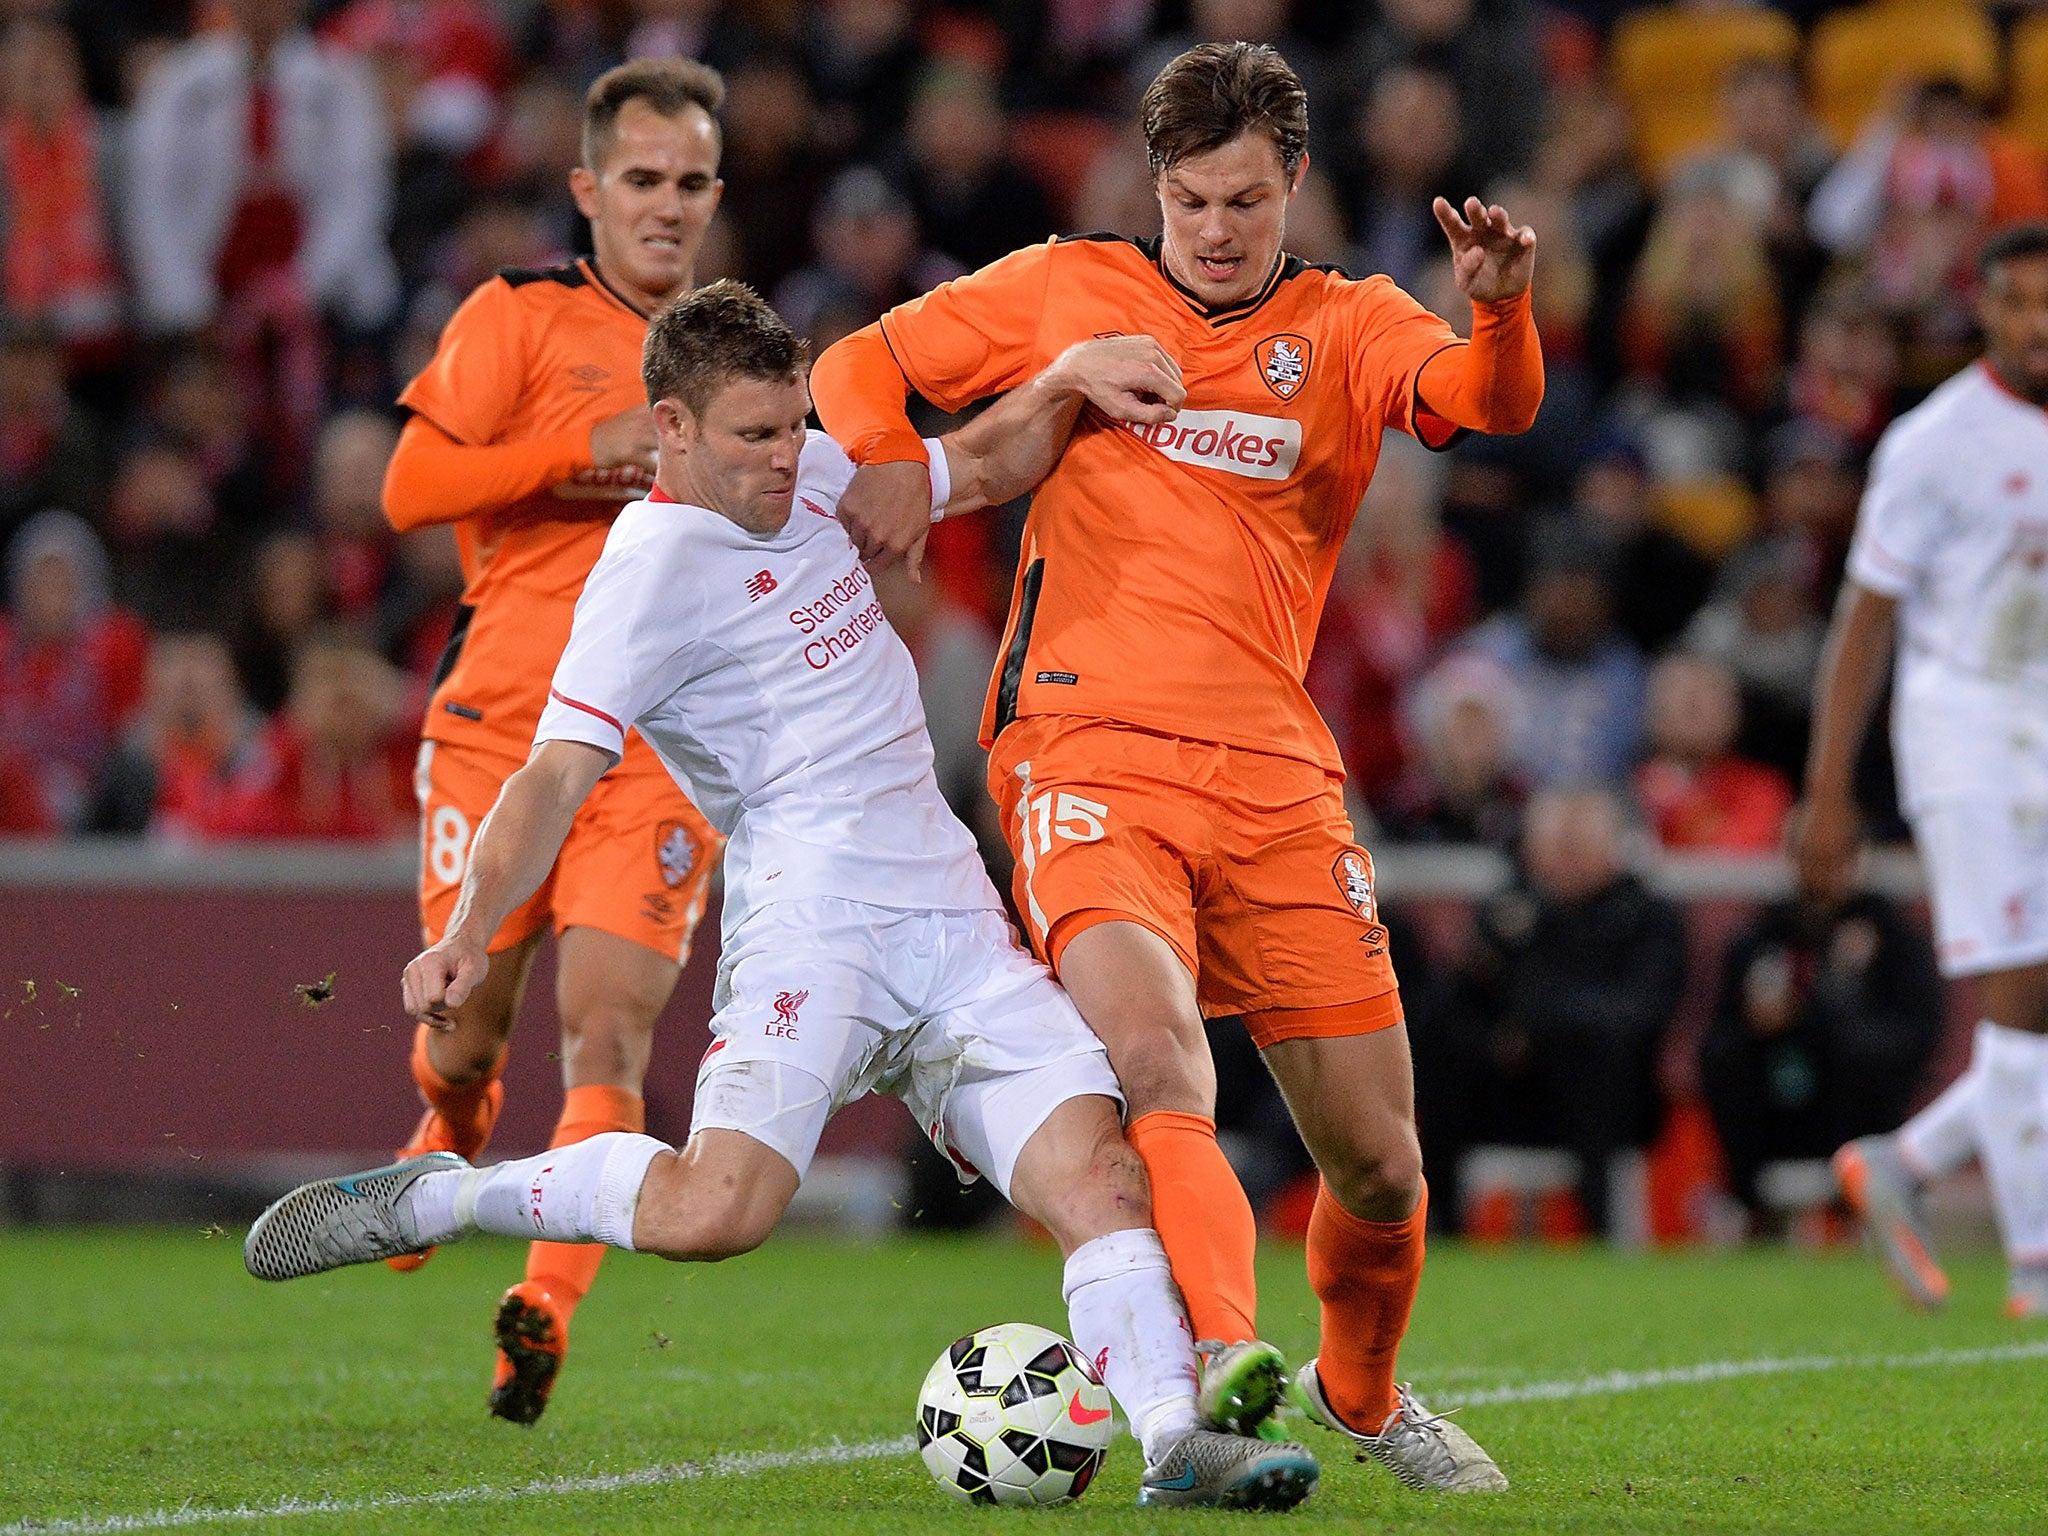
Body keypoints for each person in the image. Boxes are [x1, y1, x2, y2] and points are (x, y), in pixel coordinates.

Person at [245, 282, 1322, 1512]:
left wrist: (1067, 377)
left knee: (1102, 1176)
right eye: (753, 434)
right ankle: (445, 1197)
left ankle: (1176, 1440)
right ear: (673, 428)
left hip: (949, 915)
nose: (784, 456)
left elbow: (970, 464)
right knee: (718, 1211)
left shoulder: (814, 471)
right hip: (809, 920)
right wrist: (465, 935)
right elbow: (552, 777)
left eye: (789, 423)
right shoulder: (643, 575)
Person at [809, 41, 1538, 1489]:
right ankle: (1206, 1377)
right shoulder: (1068, 288)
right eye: (1194, 200)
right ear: (1157, 184)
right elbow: (857, 364)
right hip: (1080, 746)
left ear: (1296, 189)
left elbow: (1485, 403)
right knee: (1155, 1055)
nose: (1215, 231)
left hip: (1272, 769)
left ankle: (1364, 1392)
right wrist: (891, 458)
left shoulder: (1344, 323)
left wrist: (1504, 315)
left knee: (1383, 1169)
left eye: (1246, 204)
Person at [373, 57, 727, 1424]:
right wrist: (577, 450)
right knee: (465, 1034)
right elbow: (410, 487)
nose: (668, 205)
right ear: (588, 188)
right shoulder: (515, 314)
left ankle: (543, 1305)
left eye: (693, 182)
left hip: (657, 743)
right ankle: (450, 1129)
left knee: (610, 1035)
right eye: (642, 179)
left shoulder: (736, 353)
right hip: (502, 731)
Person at [1800, 224, 2048, 1320]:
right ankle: (2036, 1269)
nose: (2035, 325)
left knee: (2035, 1000)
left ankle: (1896, 1162)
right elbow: (1865, 617)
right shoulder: (1933, 440)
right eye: (2015, 303)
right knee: (2012, 987)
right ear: (1982, 309)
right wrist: (1826, 791)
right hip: (1960, 731)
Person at [1417, 787, 1688, 1238]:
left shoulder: (1646, 918)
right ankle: (1438, 1227)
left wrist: (1536, 1026)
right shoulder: (1510, 912)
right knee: (1445, 1050)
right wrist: (1498, 1042)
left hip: (1609, 1104)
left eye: (1579, 841)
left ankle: (1603, 1230)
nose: (1566, 855)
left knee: (1591, 1057)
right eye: (1556, 841)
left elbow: (1637, 1016)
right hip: (1515, 1095)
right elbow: (1455, 1005)